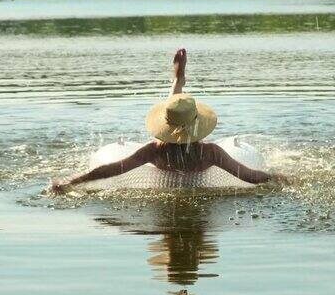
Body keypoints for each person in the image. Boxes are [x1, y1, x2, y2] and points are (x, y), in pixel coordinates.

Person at [51, 48, 282, 193]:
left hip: (170, 136)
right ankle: (178, 81)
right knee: (176, 112)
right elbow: (250, 176)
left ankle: (178, 81)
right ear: (198, 125)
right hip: (183, 136)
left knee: (174, 111)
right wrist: (281, 179)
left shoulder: (154, 150)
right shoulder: (210, 153)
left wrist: (73, 181)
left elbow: (113, 169)